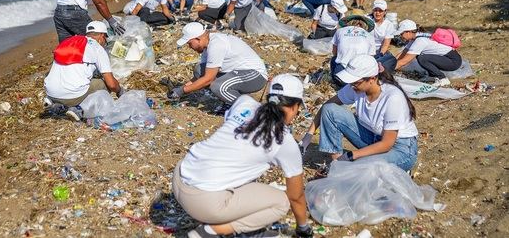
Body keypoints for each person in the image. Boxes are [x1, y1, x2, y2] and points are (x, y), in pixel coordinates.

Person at [173, 73, 313, 238]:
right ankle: (209, 232)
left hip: (179, 179)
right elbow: (295, 196)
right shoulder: (284, 140)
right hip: (204, 203)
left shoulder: (244, 102)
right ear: (294, 106)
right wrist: (303, 228)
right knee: (281, 202)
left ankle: (245, 228)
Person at [301, 55, 418, 172]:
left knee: (362, 168)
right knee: (330, 110)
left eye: (355, 82)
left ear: (372, 79)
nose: (352, 85)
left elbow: (387, 143)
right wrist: (309, 134)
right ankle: (337, 165)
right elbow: (328, 106)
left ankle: (394, 169)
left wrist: (352, 155)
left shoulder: (392, 97)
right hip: (373, 137)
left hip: (399, 148)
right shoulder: (356, 87)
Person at [169, 22, 268, 107]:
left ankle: (254, 109)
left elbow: (208, 79)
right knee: (199, 70)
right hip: (236, 73)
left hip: (255, 75)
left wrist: (183, 90)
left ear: (198, 39)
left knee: (219, 87)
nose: (190, 47)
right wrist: (181, 88)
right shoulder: (207, 46)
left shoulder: (216, 45)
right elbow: (203, 75)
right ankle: (231, 99)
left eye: (190, 43)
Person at [44, 20, 121, 121]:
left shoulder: (68, 41)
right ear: (102, 36)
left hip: (50, 92)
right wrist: (120, 91)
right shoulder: (97, 48)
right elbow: (111, 84)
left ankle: (53, 101)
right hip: (72, 97)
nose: (105, 42)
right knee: (104, 84)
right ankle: (79, 109)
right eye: (105, 38)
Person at [394, 20, 462, 87]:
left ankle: (442, 78)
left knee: (422, 58)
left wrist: (388, 70)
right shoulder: (417, 36)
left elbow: (405, 61)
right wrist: (391, 63)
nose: (401, 36)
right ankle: (433, 77)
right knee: (421, 56)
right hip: (449, 57)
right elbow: (403, 53)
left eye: (401, 34)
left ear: (408, 32)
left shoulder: (420, 41)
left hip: (453, 61)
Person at [330, 14, 376, 87]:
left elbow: (334, 52)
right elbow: (371, 58)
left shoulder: (339, 31)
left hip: (341, 73)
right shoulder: (369, 36)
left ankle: (337, 81)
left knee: (334, 59)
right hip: (360, 75)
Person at [369, 0, 397, 72]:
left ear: (385, 12)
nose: (378, 13)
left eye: (380, 11)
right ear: (373, 11)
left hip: (379, 51)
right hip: (367, 50)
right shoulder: (368, 21)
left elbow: (386, 44)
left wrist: (380, 55)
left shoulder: (389, 25)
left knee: (390, 60)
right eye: (375, 10)